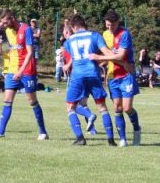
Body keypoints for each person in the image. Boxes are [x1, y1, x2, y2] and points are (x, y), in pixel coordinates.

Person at [0, 9, 48, 141]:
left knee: (32, 101)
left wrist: (21, 71)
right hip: (12, 70)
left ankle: (43, 132)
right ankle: (0, 132)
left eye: (5, 22)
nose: (4, 25)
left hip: (27, 71)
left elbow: (30, 52)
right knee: (7, 101)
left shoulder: (26, 29)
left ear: (12, 18)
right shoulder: (8, 31)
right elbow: (13, 49)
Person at [61, 15, 119, 146]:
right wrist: (118, 58)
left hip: (77, 76)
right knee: (102, 107)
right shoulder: (95, 36)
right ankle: (111, 140)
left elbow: (73, 56)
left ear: (74, 27)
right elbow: (108, 54)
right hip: (93, 74)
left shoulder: (68, 42)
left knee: (70, 107)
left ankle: (80, 138)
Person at [89, 10, 142, 146]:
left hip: (127, 75)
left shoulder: (124, 34)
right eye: (107, 25)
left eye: (112, 25)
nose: (109, 28)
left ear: (118, 22)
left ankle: (137, 129)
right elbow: (106, 55)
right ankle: (123, 139)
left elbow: (120, 56)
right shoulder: (105, 34)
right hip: (113, 76)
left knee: (127, 108)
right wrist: (101, 61)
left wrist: (100, 57)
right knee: (117, 107)